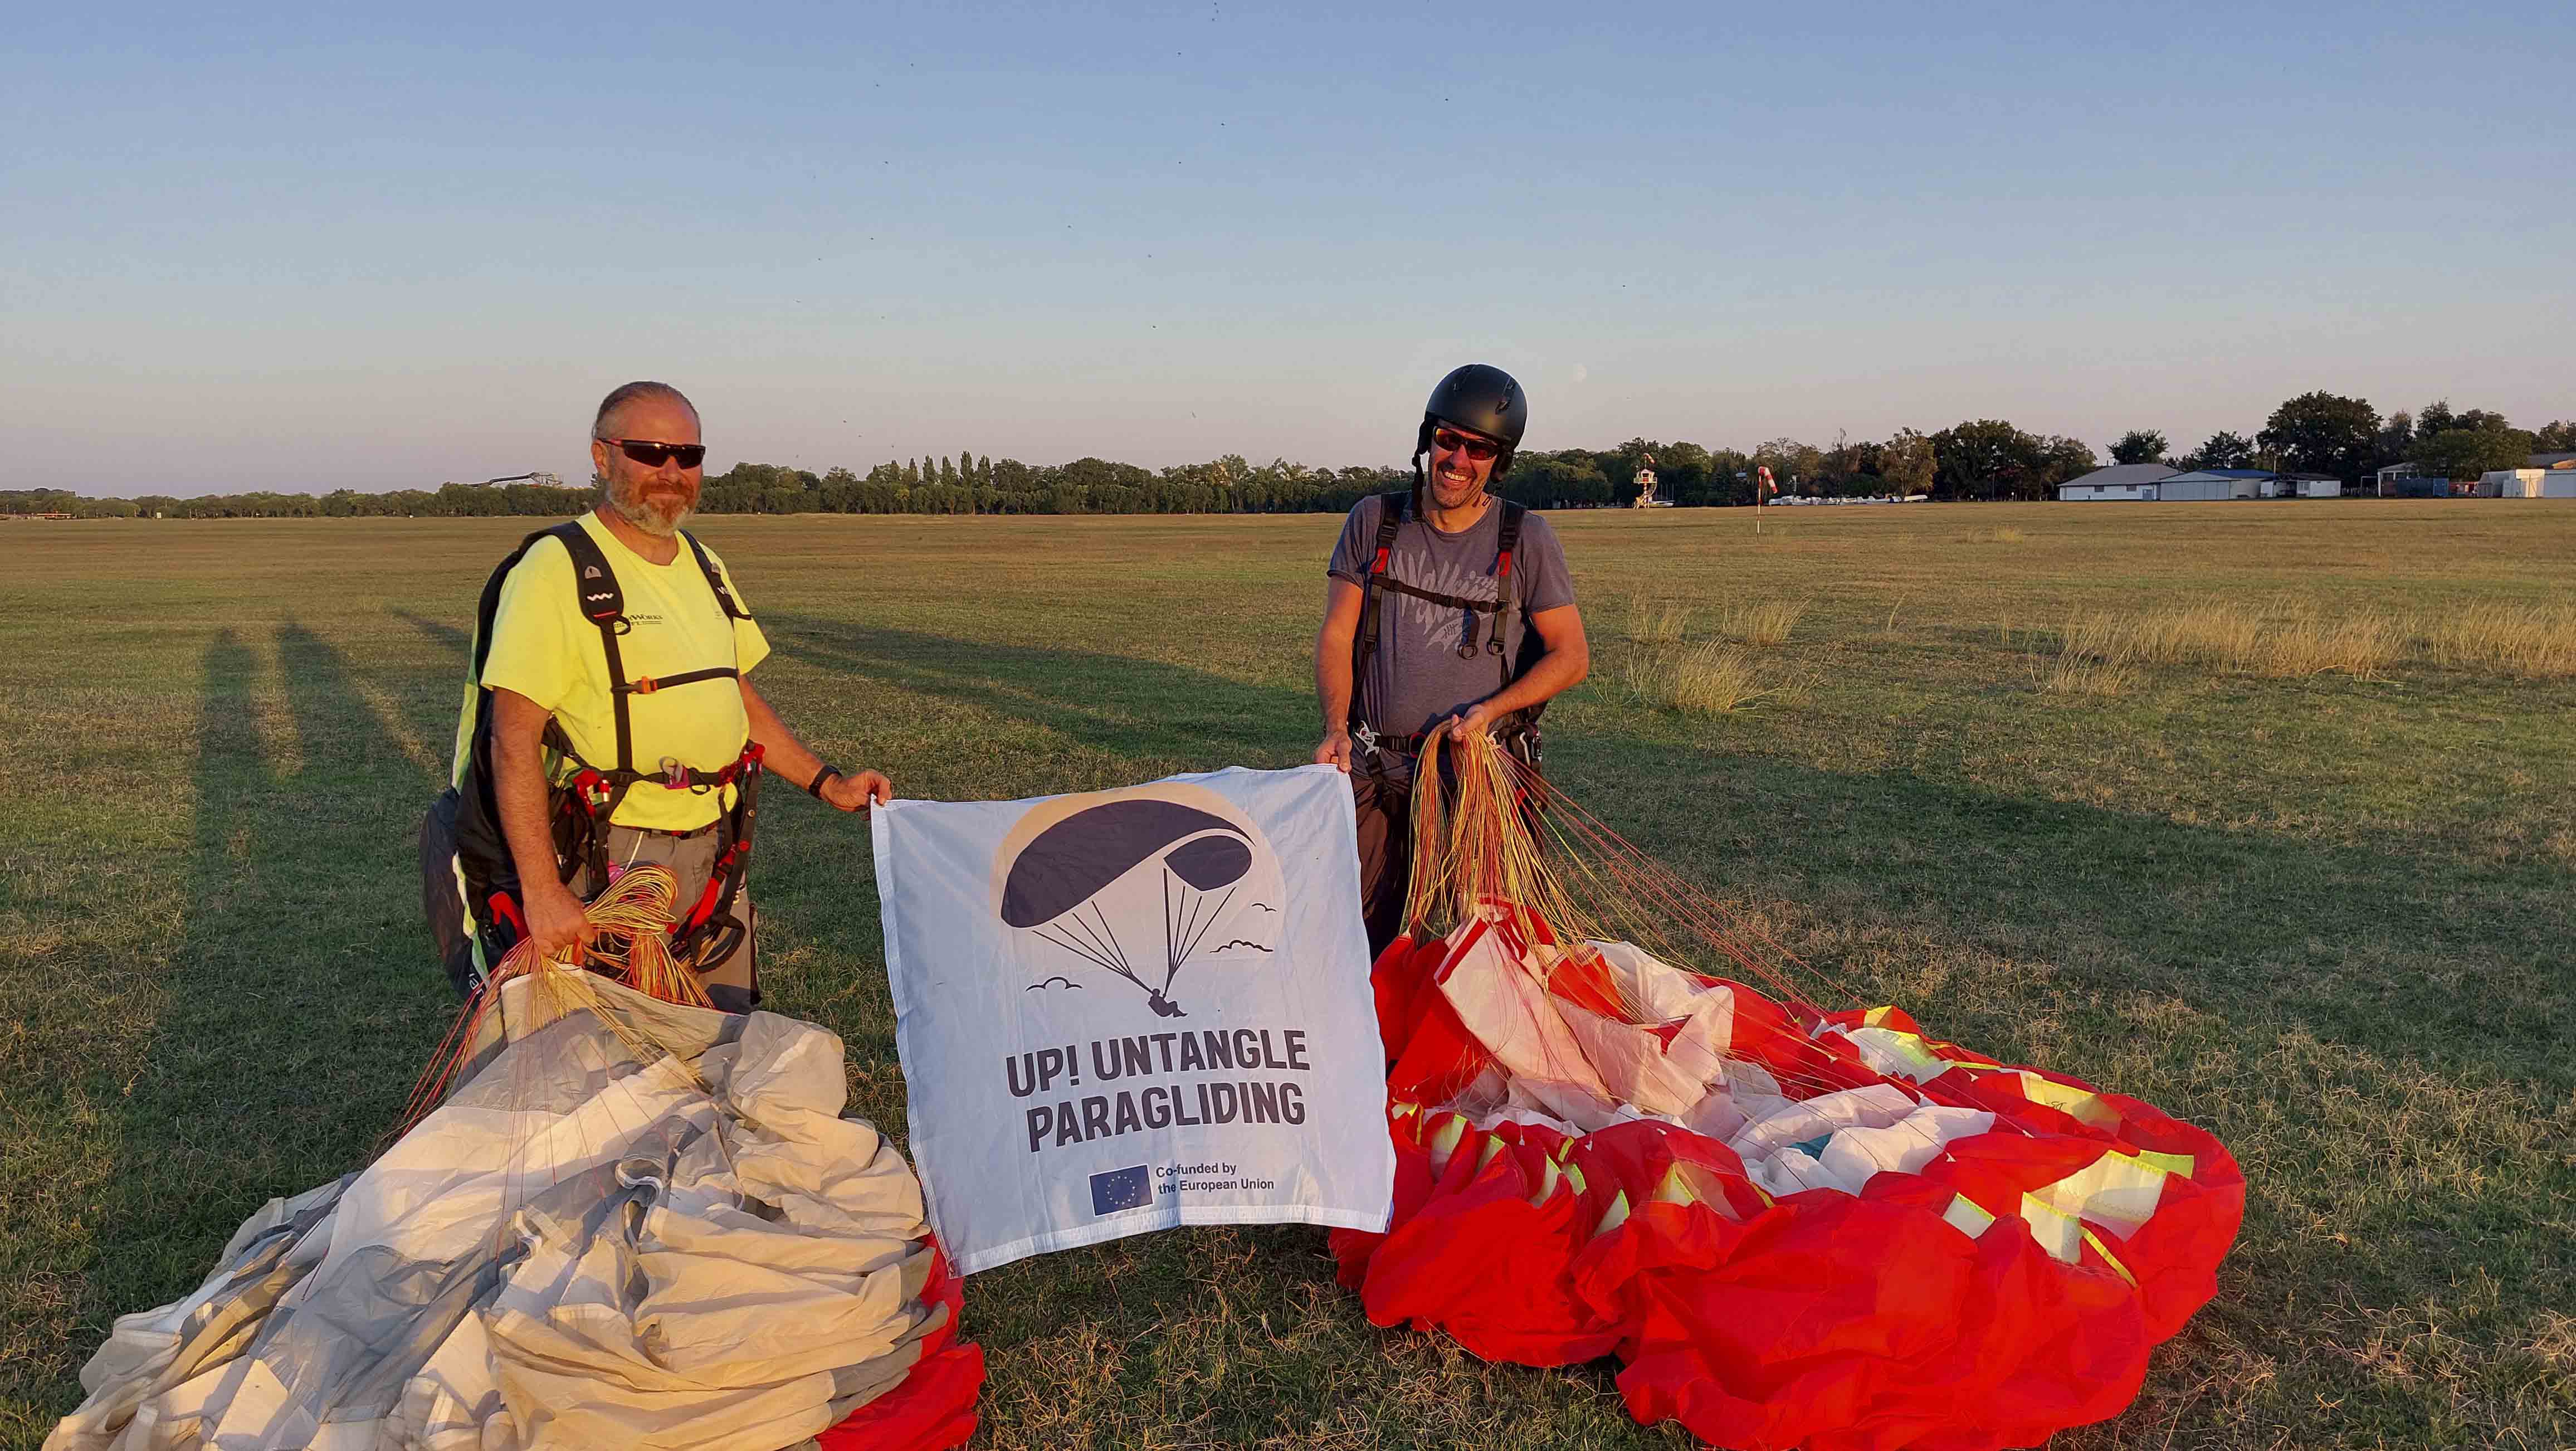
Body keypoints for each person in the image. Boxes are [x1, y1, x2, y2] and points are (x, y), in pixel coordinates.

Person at [435, 380, 890, 1011]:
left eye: (688, 455)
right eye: (650, 453)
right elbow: (512, 736)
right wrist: (541, 890)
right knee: (604, 1050)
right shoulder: (555, 568)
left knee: (720, 1038)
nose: (671, 472)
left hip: (714, 851)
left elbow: (735, 694)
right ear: (602, 457)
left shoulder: (705, 564)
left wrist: (827, 783)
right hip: (605, 855)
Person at [1312, 364, 1589, 954]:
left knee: (1492, 949)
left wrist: (1494, 711)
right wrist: (1336, 728)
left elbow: (1571, 656)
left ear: (1498, 461)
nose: (1459, 459)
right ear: (1428, 439)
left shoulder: (1527, 538)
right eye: (1449, 440)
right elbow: (1337, 635)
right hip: (1376, 769)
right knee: (1358, 945)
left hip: (1479, 773)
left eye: (1479, 449)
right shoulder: (1374, 522)